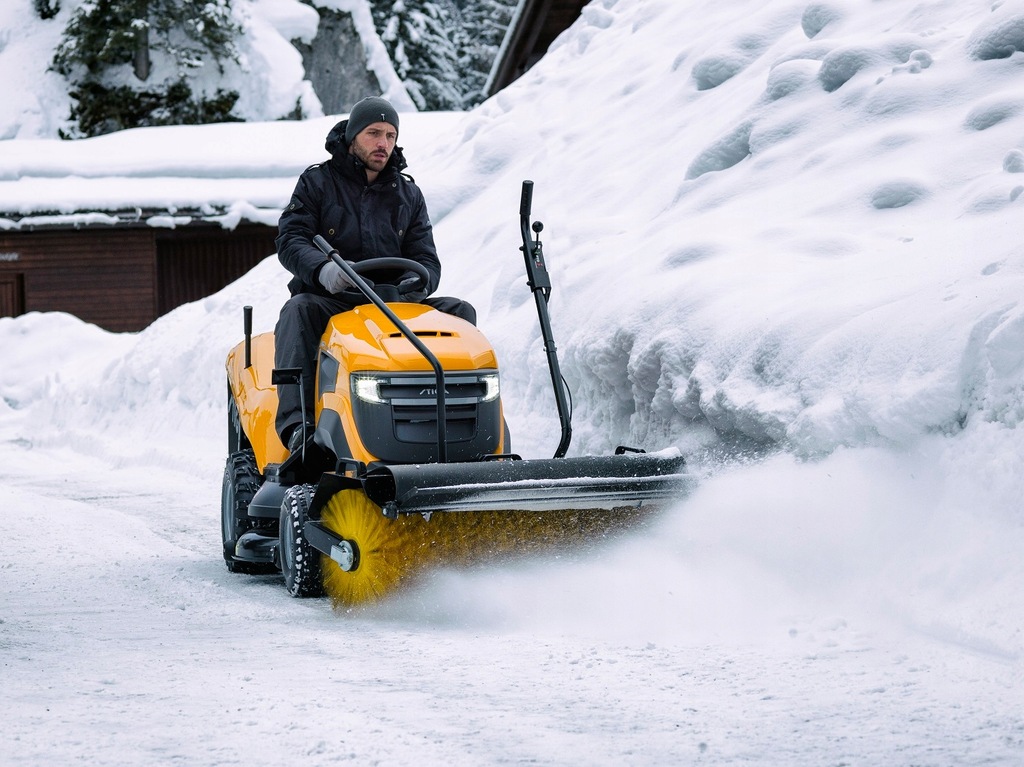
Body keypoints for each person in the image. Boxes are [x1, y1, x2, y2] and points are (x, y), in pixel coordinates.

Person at [274, 96, 474, 453]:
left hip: (393, 301)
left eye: (390, 135)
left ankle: (454, 423)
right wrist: (324, 270)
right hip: (333, 299)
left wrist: (417, 284)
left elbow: (426, 258)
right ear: (353, 136)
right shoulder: (317, 182)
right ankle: (299, 429)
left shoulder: (408, 194)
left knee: (458, 313)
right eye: (374, 133)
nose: (383, 143)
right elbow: (291, 239)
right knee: (297, 310)